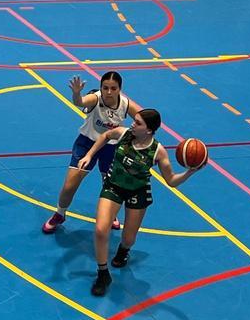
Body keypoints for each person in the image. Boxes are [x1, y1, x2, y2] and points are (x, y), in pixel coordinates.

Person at [77, 109, 201, 296]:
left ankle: (124, 250)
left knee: (129, 238)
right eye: (134, 120)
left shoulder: (158, 151)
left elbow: (171, 181)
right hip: (113, 186)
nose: (133, 124)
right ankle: (103, 274)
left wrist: (190, 172)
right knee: (101, 230)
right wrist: (89, 155)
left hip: (137, 191)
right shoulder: (123, 133)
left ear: (149, 130)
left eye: (138, 123)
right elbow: (105, 135)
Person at [42, 72, 141, 234]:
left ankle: (111, 215)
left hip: (111, 148)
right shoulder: (96, 98)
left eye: (113, 88)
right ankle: (60, 214)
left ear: (120, 89)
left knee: (110, 187)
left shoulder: (125, 104)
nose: (109, 92)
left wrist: (134, 133)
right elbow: (80, 102)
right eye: (105, 88)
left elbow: (144, 117)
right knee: (69, 185)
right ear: (101, 88)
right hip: (87, 144)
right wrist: (76, 93)